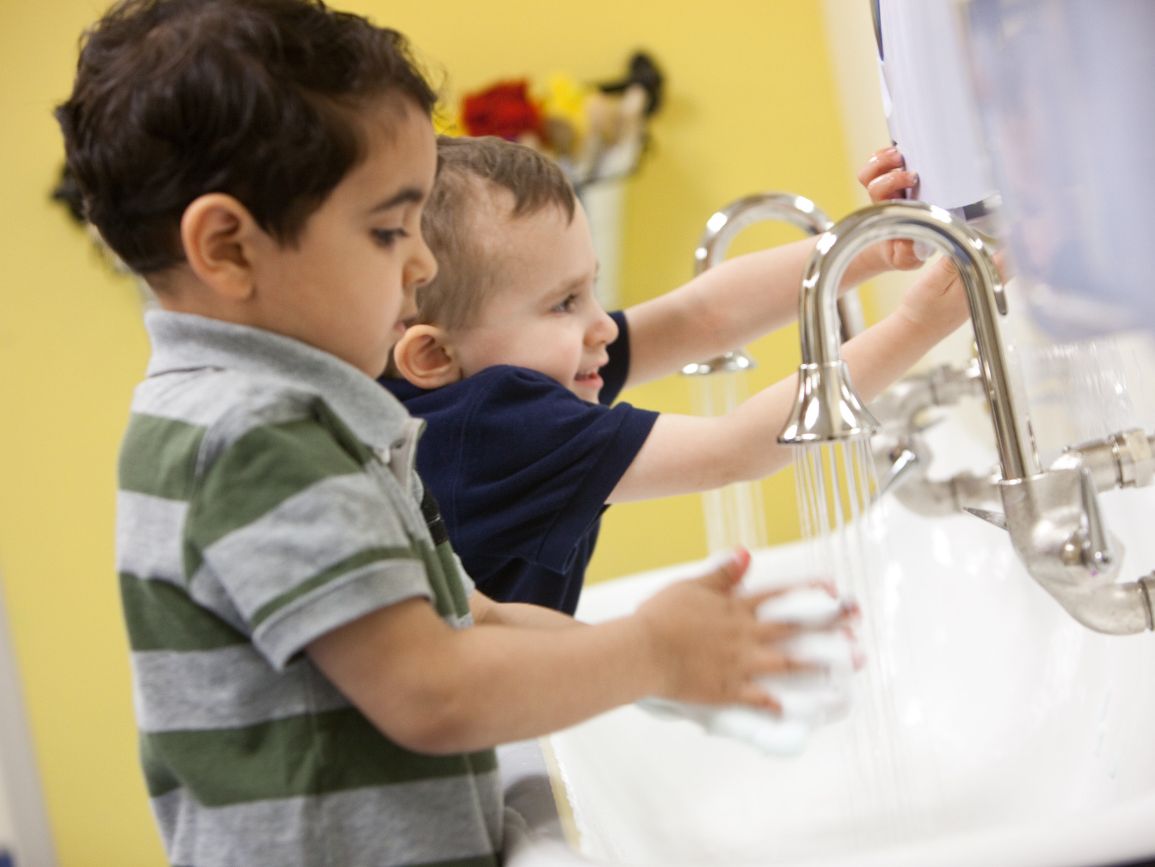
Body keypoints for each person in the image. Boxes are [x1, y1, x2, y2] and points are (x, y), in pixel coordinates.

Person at [57, 1, 859, 864]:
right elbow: (430, 690)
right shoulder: (253, 435)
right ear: (228, 247)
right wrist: (651, 653)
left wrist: (662, 669)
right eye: (388, 229)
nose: (423, 263)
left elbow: (466, 616)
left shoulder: (291, 413)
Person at [383, 135, 961, 614]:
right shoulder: (487, 423)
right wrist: (918, 324)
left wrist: (870, 248)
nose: (600, 326)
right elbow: (734, 450)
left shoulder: (462, 386)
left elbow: (701, 316)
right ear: (431, 356)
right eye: (563, 303)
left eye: (591, 291)